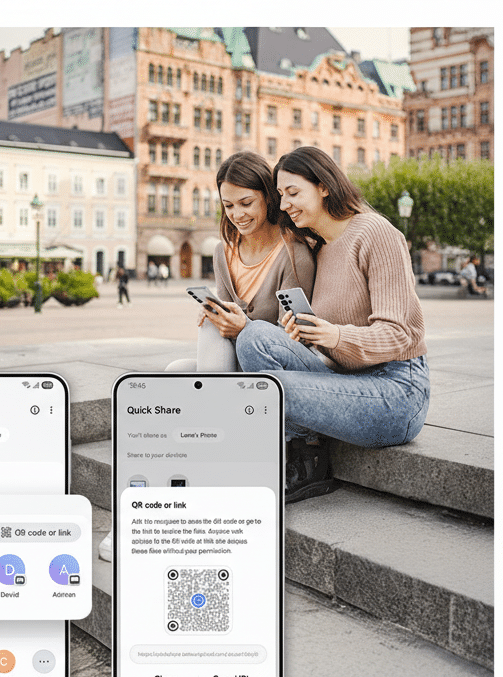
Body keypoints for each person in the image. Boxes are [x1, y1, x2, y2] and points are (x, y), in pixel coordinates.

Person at [236, 146, 429, 503]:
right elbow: (333, 343)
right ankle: (304, 445)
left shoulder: (376, 232)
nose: (285, 204)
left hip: (397, 390)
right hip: (346, 380)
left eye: (293, 193)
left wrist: (334, 334)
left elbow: (401, 335)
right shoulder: (321, 248)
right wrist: (307, 335)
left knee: (268, 389)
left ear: (324, 186)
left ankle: (308, 463)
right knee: (254, 337)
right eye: (280, 196)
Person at [166, 151, 316, 372]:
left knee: (198, 364)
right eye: (229, 206)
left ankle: (218, 400)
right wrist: (218, 316)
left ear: (268, 196)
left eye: (246, 203)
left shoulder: (294, 254)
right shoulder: (223, 252)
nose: (237, 215)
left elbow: (293, 339)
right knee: (175, 370)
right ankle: (219, 397)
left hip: (273, 364)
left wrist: (243, 327)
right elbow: (225, 325)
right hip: (232, 359)